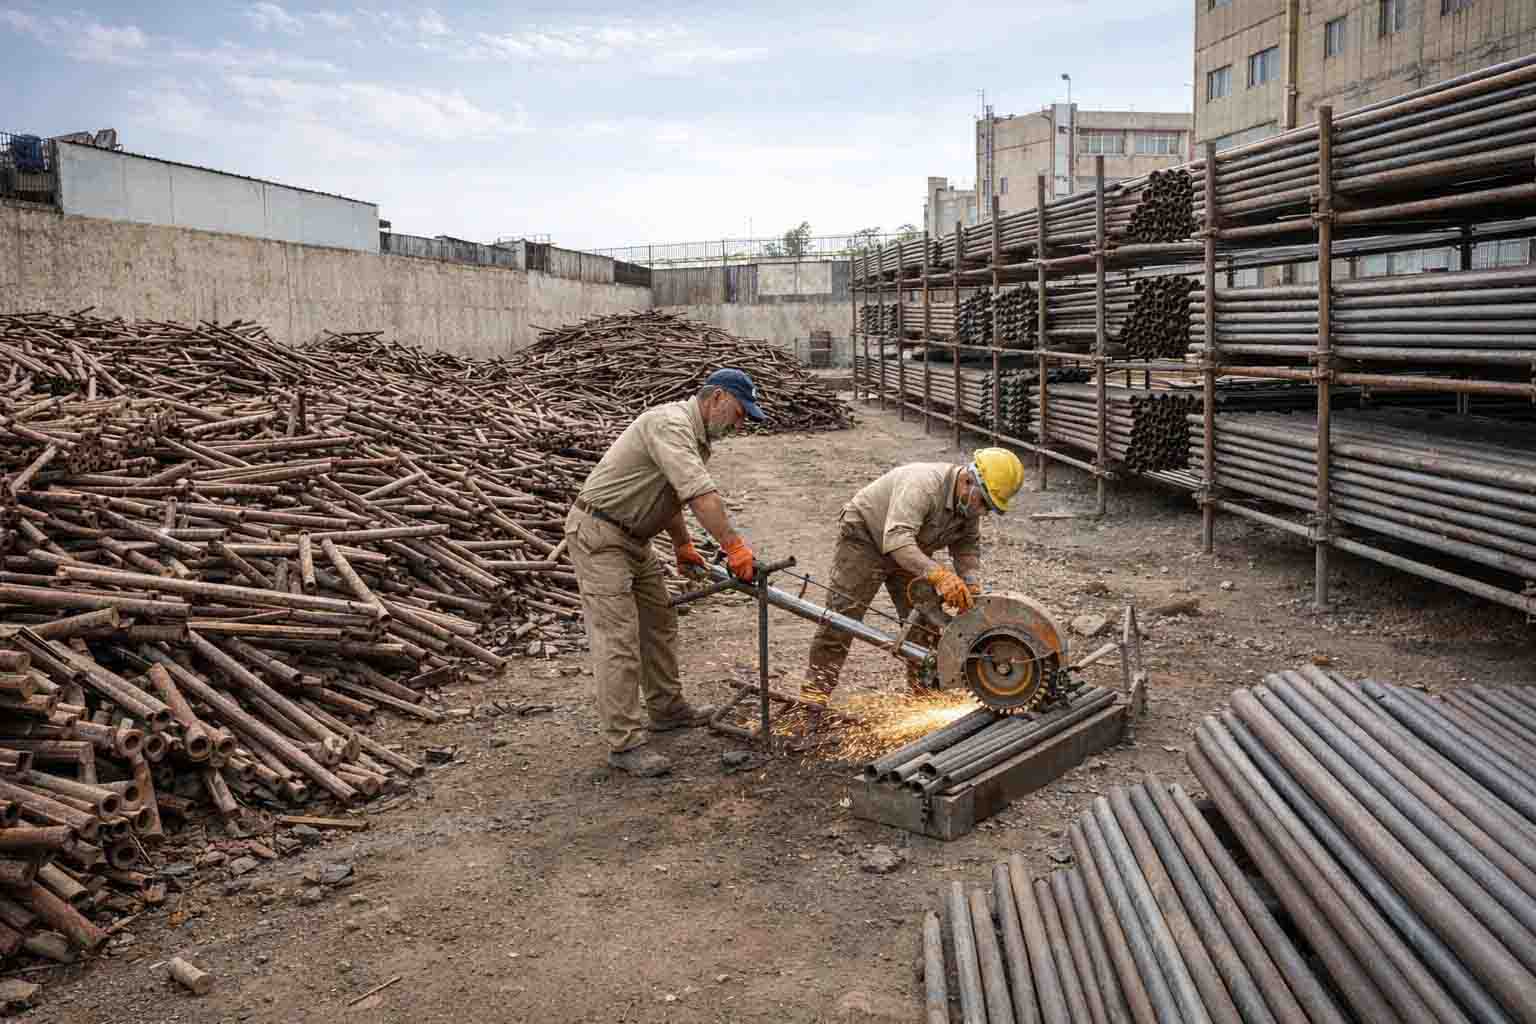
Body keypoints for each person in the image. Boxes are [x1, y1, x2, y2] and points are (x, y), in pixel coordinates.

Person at [566, 368, 764, 778]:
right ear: (717, 399)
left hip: (632, 538)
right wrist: (734, 546)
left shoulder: (695, 436)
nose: (740, 424)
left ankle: (666, 709)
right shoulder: (670, 424)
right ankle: (623, 744)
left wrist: (681, 544)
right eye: (740, 413)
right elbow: (698, 493)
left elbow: (669, 494)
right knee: (618, 638)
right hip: (600, 535)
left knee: (658, 618)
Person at [796, 449, 1026, 737]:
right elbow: (896, 539)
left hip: (910, 548)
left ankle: (922, 703)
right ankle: (811, 702)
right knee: (842, 619)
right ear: (969, 480)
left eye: (990, 508)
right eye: (984, 503)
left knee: (925, 625)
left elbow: (967, 545)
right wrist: (939, 575)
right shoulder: (924, 485)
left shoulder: (969, 505)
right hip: (866, 538)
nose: (983, 512)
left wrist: (971, 583)